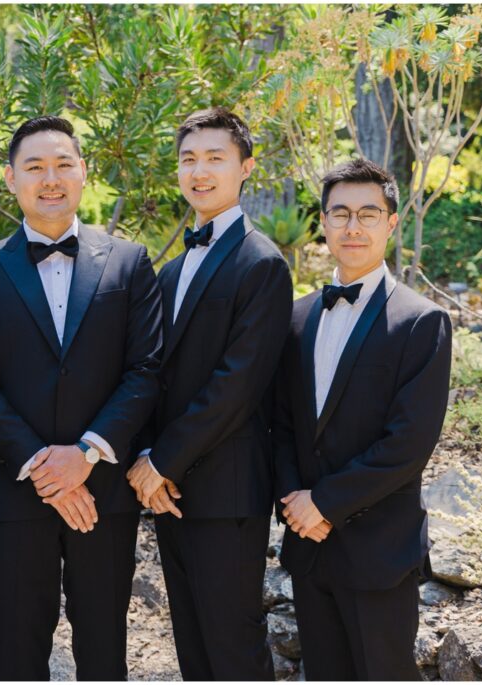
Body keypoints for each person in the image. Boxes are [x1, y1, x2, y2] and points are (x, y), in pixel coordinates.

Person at [0, 116, 163, 680]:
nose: (51, 179)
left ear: (83, 172)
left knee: (104, 650)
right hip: (14, 492)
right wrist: (44, 466)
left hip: (103, 494)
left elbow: (145, 370)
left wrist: (86, 454)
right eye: (35, 167)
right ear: (10, 178)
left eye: (63, 164)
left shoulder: (129, 261)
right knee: (19, 655)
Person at [127, 106, 292, 680]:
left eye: (215, 158)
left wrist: (162, 462)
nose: (199, 171)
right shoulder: (171, 271)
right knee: (194, 650)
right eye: (188, 159)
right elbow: (151, 374)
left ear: (245, 168)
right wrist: (148, 458)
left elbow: (237, 383)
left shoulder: (262, 263)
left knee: (233, 647)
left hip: (227, 490)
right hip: (170, 491)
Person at [274, 158, 452, 680]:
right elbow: (280, 424)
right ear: (323, 222)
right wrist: (295, 503)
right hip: (309, 546)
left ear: (391, 223)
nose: (353, 227)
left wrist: (324, 503)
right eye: (340, 214)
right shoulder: (297, 316)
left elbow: (409, 443)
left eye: (368, 214)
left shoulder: (421, 321)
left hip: (379, 551)